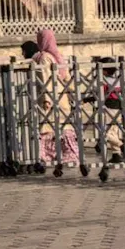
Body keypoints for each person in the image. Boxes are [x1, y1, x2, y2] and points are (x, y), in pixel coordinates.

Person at [32, 29, 79, 164]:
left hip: (51, 98)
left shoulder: (44, 57)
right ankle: (70, 154)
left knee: (49, 127)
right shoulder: (58, 55)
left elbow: (46, 77)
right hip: (61, 96)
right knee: (64, 126)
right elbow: (67, 78)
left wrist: (46, 98)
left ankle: (49, 156)